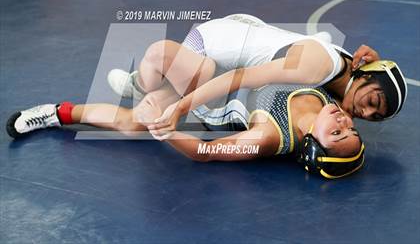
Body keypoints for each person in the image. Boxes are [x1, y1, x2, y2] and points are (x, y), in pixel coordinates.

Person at [106, 14, 407, 132]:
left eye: (374, 115)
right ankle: (142, 82)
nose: (365, 113)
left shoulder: (346, 72)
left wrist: (372, 69)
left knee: (160, 109)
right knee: (164, 103)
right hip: (211, 47)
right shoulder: (315, 66)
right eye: (372, 101)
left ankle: (159, 86)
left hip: (240, 41)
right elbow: (241, 78)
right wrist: (180, 108)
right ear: (365, 76)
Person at [5, 84, 364, 179]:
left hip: (193, 96)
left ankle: (54, 114)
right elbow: (362, 92)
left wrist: (164, 129)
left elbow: (206, 153)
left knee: (132, 123)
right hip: (220, 68)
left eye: (338, 134)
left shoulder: (269, 138)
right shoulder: (329, 103)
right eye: (351, 130)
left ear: (313, 144)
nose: (344, 122)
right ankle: (142, 86)